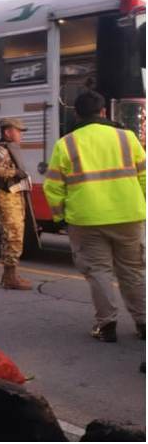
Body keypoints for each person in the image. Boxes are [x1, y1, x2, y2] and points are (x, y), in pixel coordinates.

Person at [43, 91, 146, 342]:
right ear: (103, 112)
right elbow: (144, 176)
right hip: (129, 217)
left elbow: (53, 187)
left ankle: (107, 326)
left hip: (86, 220)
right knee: (132, 271)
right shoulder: (127, 137)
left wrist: (60, 218)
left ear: (77, 114)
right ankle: (144, 323)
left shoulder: (66, 143)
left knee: (99, 272)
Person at [0, 117, 34, 290]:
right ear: (7, 132)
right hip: (6, 197)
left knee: (16, 234)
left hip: (14, 196)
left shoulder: (11, 149)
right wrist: (15, 173)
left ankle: (10, 274)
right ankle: (10, 277)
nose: (21, 135)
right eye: (18, 131)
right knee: (12, 235)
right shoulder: (0, 150)